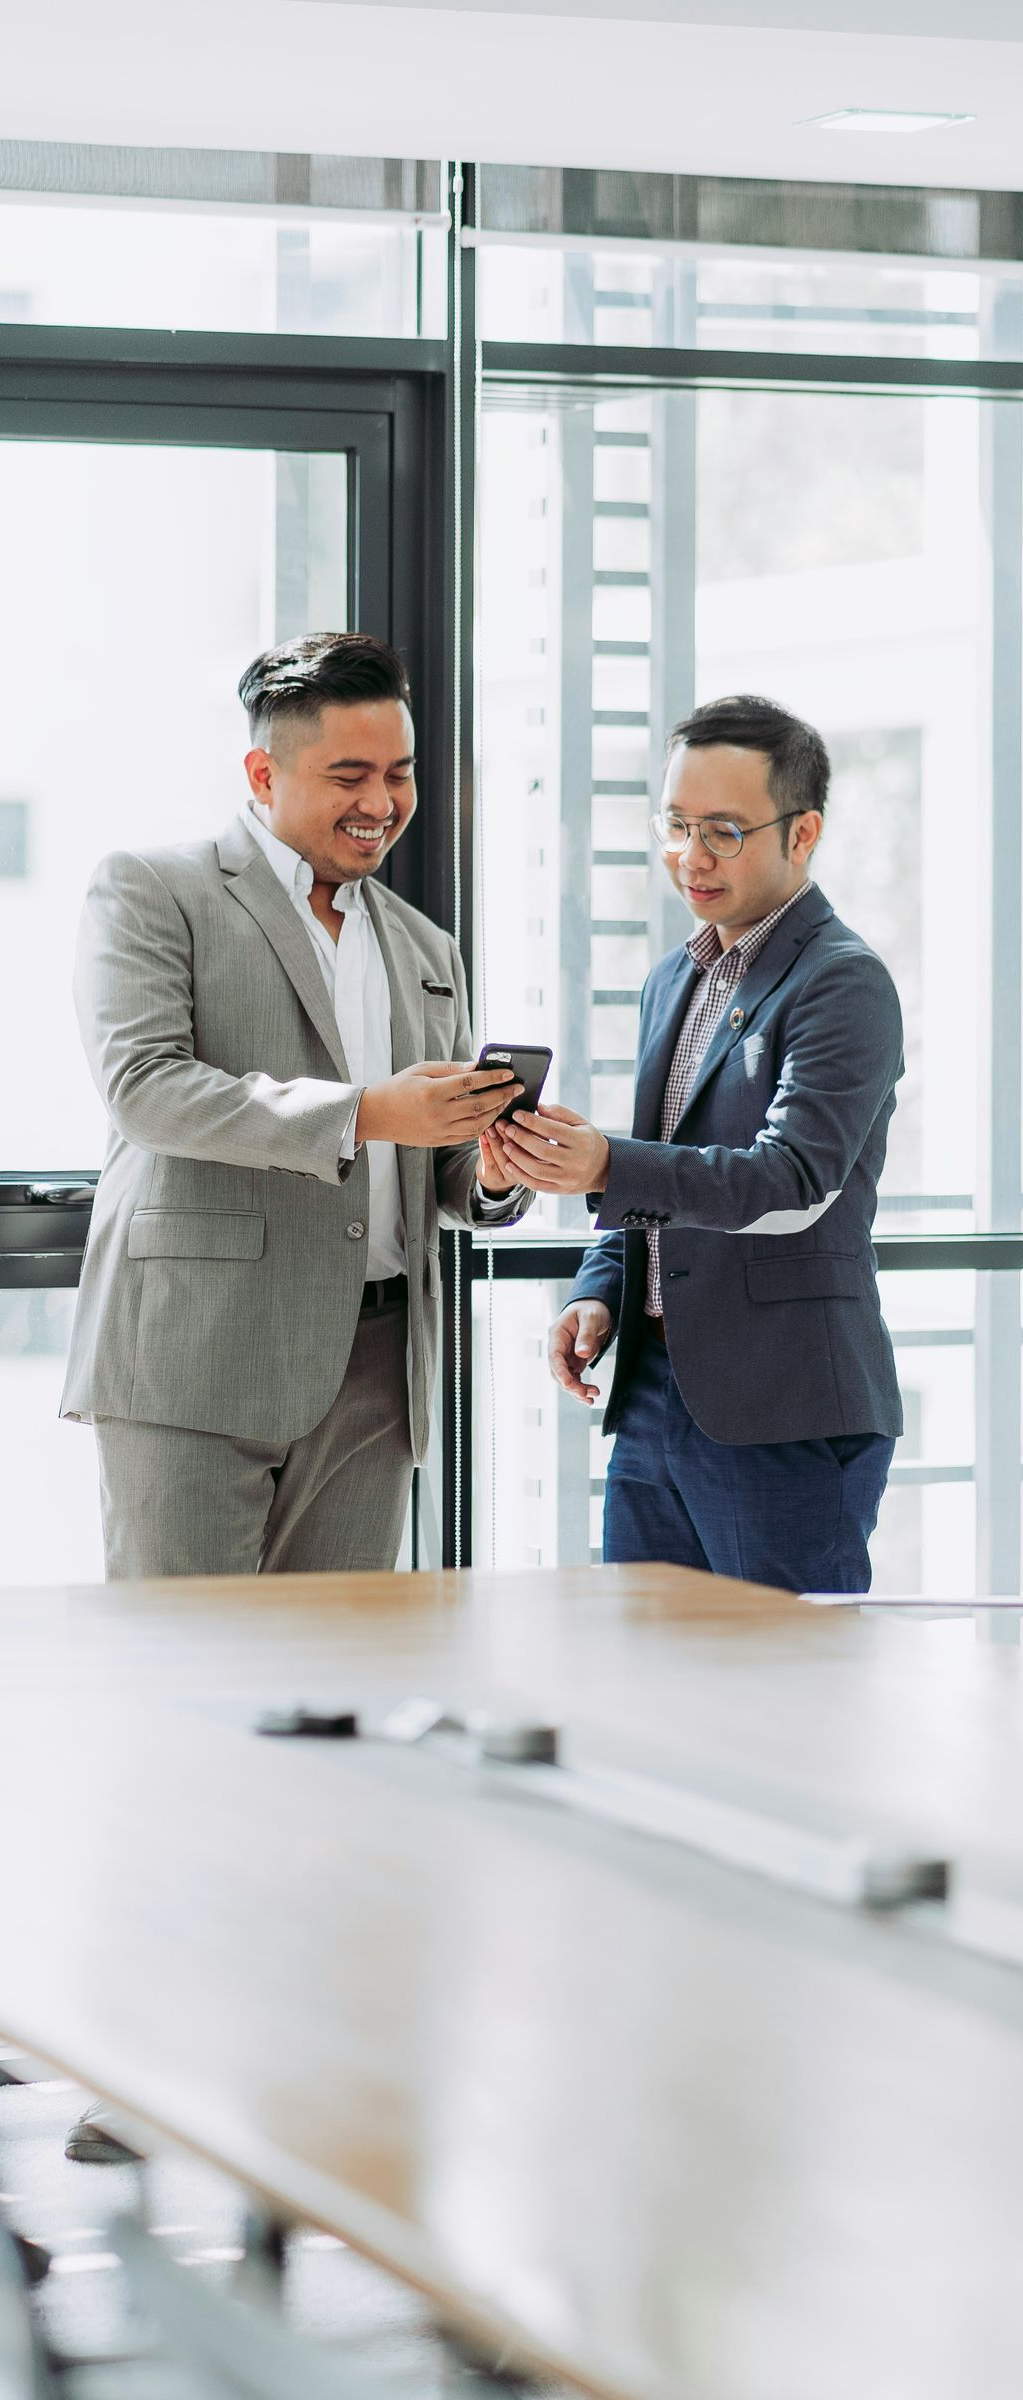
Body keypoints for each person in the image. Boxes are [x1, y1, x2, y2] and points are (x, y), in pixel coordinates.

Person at [62, 632, 529, 1578]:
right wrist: (362, 1112)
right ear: (262, 772)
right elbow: (146, 1090)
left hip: (380, 1371)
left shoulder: (427, 948)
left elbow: (428, 1165)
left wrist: (486, 1168)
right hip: (198, 1352)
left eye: (398, 773)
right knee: (185, 1666)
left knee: (338, 1681)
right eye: (348, 774)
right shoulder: (155, 890)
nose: (382, 803)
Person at [485, 695, 903, 1596]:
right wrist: (601, 1288)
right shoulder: (675, 976)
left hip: (781, 1407)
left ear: (803, 834)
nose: (689, 856)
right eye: (674, 824)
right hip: (652, 1393)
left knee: (786, 1700)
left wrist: (602, 1163)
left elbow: (791, 1181)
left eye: (721, 829)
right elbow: (666, 1166)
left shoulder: (842, 982)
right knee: (652, 1690)